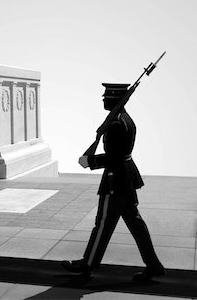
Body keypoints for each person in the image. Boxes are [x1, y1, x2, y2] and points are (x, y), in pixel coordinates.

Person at [61, 83, 165, 281]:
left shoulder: (117, 123)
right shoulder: (125, 119)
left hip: (115, 180)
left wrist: (90, 161)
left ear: (115, 99)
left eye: (106, 97)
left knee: (102, 225)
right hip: (126, 178)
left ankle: (87, 264)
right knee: (136, 224)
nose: (103, 99)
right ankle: (154, 266)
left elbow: (115, 157)